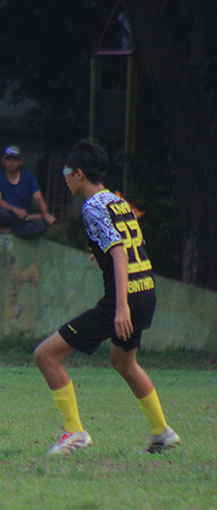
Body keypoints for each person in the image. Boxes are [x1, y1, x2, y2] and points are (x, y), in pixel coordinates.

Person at [34, 138, 180, 455]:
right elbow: (124, 243)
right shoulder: (117, 201)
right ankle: (162, 432)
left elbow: (117, 252)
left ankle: (74, 432)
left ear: (80, 174)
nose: (65, 176)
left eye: (67, 171)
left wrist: (121, 308)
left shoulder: (93, 206)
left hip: (124, 298)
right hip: (146, 290)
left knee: (46, 355)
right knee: (124, 362)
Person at [0, 145, 56, 237]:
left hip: (24, 219)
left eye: (15, 160)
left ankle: (2, 231)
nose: (11, 163)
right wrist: (15, 210)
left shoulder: (29, 177)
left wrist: (45, 215)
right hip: (9, 215)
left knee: (40, 226)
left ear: (20, 162)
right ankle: (18, 227)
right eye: (8, 160)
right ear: (3, 161)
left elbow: (38, 198)